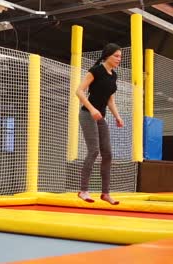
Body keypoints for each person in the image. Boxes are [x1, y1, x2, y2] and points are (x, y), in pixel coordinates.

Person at [75, 43, 124, 205]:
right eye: (116, 56)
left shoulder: (113, 76)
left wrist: (117, 116)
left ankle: (105, 193)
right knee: (94, 150)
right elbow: (79, 91)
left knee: (108, 153)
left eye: (120, 56)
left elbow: (110, 99)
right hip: (87, 114)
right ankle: (83, 190)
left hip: (100, 117)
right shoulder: (95, 71)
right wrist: (92, 109)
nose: (119, 59)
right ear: (107, 56)